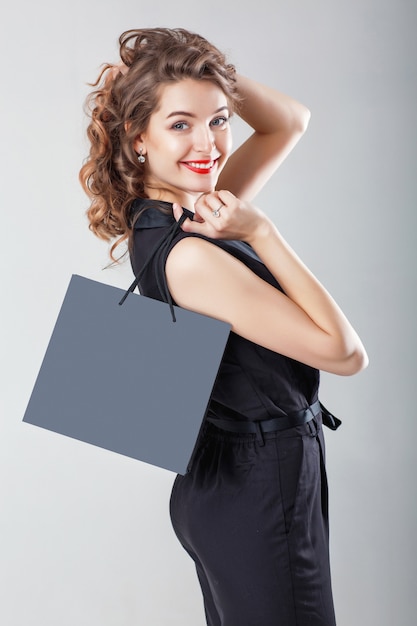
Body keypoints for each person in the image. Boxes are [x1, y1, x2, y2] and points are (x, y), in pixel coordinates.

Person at [79, 27, 368, 626]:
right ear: (139, 139)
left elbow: (290, 121)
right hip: (260, 486)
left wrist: (201, 73)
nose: (207, 143)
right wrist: (262, 232)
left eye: (217, 120)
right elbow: (345, 354)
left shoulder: (173, 216)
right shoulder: (193, 254)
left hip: (225, 480)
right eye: (179, 124)